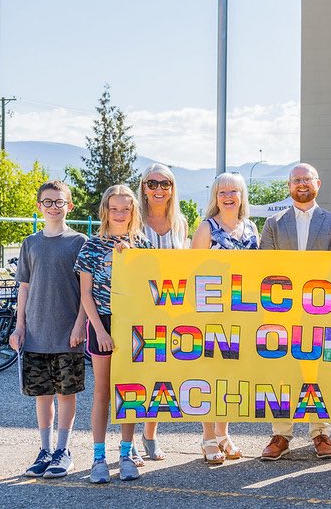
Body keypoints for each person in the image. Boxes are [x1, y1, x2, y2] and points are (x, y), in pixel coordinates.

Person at [259, 163, 331, 461]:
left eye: (306, 179)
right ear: (288, 185)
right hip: (282, 310)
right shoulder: (273, 223)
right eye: (296, 179)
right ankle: (281, 434)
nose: (301, 184)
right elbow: (266, 268)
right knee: (283, 372)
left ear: (318, 184)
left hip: (320, 310)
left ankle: (321, 432)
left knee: (319, 371)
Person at [8, 181, 87, 479]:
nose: (54, 206)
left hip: (68, 333)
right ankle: (45, 449)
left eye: (60, 202)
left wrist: (81, 323)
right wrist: (20, 327)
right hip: (37, 333)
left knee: (66, 393)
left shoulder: (79, 242)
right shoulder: (31, 243)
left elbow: (85, 290)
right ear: (39, 206)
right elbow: (24, 289)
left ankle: (63, 450)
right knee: (43, 394)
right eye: (48, 202)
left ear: (69, 206)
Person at [75, 185, 152, 483]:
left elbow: (150, 289)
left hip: (132, 323)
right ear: (105, 210)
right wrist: (98, 330)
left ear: (133, 212)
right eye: (115, 208)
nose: (120, 214)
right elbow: (85, 295)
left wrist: (132, 260)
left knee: (129, 390)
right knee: (103, 391)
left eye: (126, 209)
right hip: (103, 323)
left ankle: (125, 452)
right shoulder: (92, 247)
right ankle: (98, 457)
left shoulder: (143, 245)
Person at [191, 172, 259, 465]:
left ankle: (223, 434)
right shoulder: (207, 228)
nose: (228, 196)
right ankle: (208, 437)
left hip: (243, 314)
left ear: (242, 196)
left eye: (234, 191)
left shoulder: (252, 228)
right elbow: (191, 272)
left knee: (232, 377)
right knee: (211, 375)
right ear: (215, 197)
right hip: (211, 314)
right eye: (222, 192)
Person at [135, 163, 188, 462]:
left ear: (172, 188)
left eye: (164, 183)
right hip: (139, 309)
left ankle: (150, 433)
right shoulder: (133, 220)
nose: (158, 189)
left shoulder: (180, 222)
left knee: (161, 377)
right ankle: (128, 440)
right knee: (134, 375)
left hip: (171, 312)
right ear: (144, 187)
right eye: (152, 183)